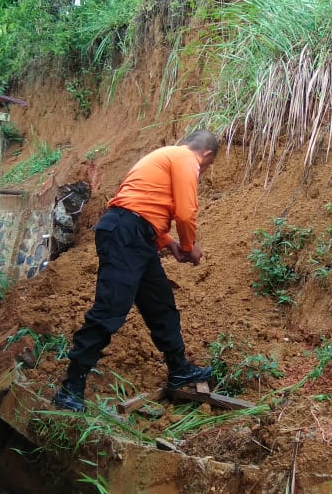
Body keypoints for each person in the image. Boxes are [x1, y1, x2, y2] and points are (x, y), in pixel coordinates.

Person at [52, 129, 219, 412]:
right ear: (206, 155)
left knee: (160, 305)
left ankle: (179, 369)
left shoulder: (164, 158)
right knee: (110, 310)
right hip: (125, 233)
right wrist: (190, 246)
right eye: (207, 166)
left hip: (135, 234)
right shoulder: (186, 158)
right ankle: (71, 386)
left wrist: (169, 243)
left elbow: (144, 206)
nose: (201, 172)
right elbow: (185, 212)